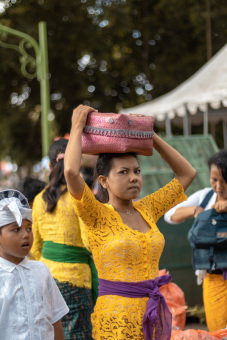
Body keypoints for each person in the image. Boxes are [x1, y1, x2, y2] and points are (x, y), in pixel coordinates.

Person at [64, 104, 197, 340]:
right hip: (116, 322)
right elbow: (72, 173)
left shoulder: (148, 208)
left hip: (152, 314)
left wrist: (150, 136)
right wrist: (76, 127)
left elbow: (187, 174)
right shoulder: (96, 214)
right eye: (123, 172)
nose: (134, 178)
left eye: (137, 171)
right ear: (104, 181)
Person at [30, 138, 97, 340]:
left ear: (50, 166)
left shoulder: (39, 199)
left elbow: (35, 248)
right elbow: (89, 243)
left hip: (46, 278)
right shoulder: (80, 197)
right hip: (76, 280)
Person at [164, 149, 227, 333]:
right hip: (213, 278)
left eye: (224, 181)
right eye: (214, 180)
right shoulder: (205, 196)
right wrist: (197, 211)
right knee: (218, 331)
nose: (219, 186)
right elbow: (170, 215)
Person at [0, 189, 69, 340]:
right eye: (16, 229)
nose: (25, 234)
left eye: (29, 228)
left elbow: (55, 318)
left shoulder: (41, 271)